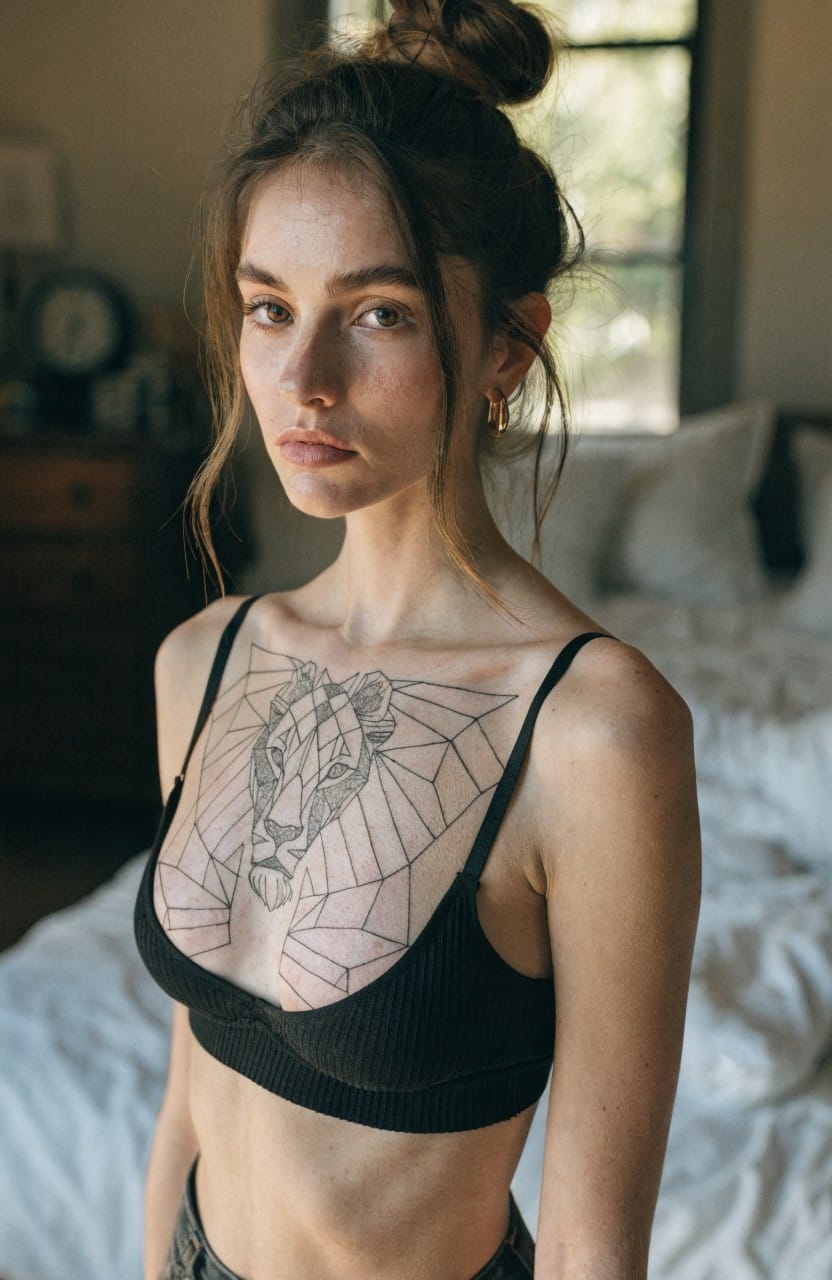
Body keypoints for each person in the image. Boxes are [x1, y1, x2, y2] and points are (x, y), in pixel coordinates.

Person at [134, 2, 701, 1276]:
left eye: (377, 312)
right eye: (268, 307)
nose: (302, 379)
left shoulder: (595, 727)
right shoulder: (205, 659)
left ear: (508, 345)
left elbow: (593, 1247)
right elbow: (188, 1099)